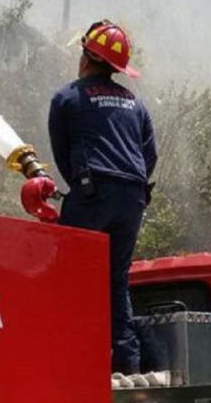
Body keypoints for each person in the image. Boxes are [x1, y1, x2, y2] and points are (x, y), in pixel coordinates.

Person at [48, 20, 156, 376]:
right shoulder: (136, 105)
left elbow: (63, 155)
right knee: (115, 279)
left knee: (68, 275)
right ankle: (127, 362)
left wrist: (83, 190)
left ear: (86, 57)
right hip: (133, 199)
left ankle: (67, 357)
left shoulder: (68, 98)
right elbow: (149, 157)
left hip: (92, 193)